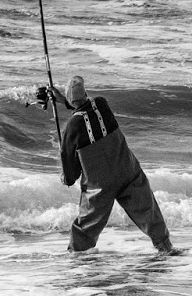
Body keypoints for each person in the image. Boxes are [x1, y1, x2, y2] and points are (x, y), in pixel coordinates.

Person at [53, 75, 176, 255]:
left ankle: (77, 260)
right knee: (148, 212)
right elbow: (85, 109)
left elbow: (71, 176)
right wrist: (62, 100)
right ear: (86, 92)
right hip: (128, 172)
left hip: (100, 186)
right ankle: (166, 248)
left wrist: (66, 176)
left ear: (70, 100)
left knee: (85, 229)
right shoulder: (102, 104)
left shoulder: (72, 127)